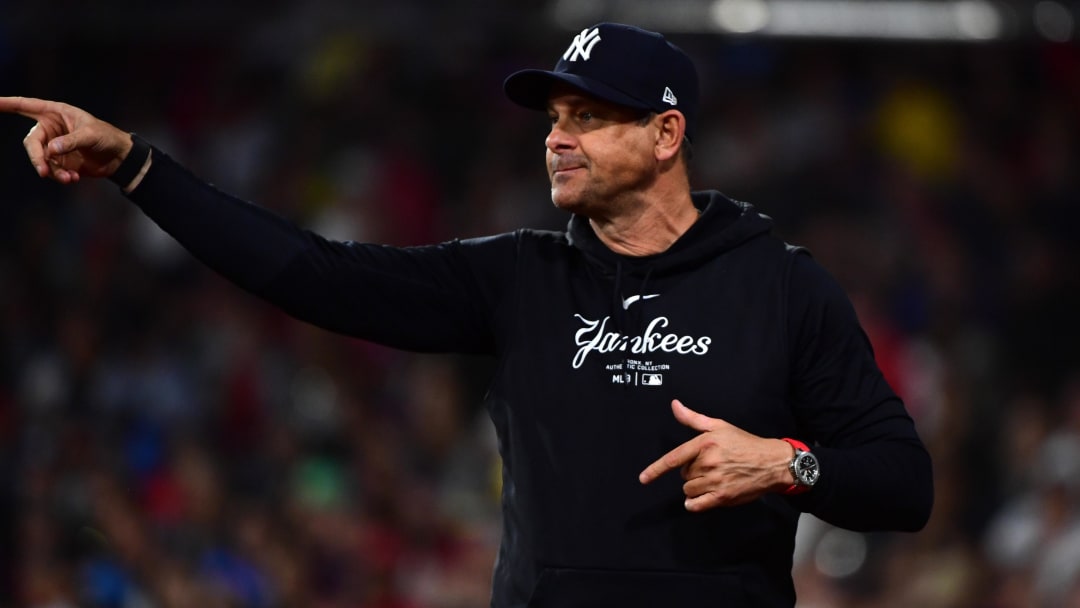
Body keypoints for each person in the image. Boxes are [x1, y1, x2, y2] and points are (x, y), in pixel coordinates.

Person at [2, 22, 932, 608]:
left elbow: (903, 483)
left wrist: (788, 463)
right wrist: (137, 166)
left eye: (588, 116)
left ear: (666, 133)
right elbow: (309, 274)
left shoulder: (780, 285)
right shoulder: (515, 279)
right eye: (551, 117)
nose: (556, 137)